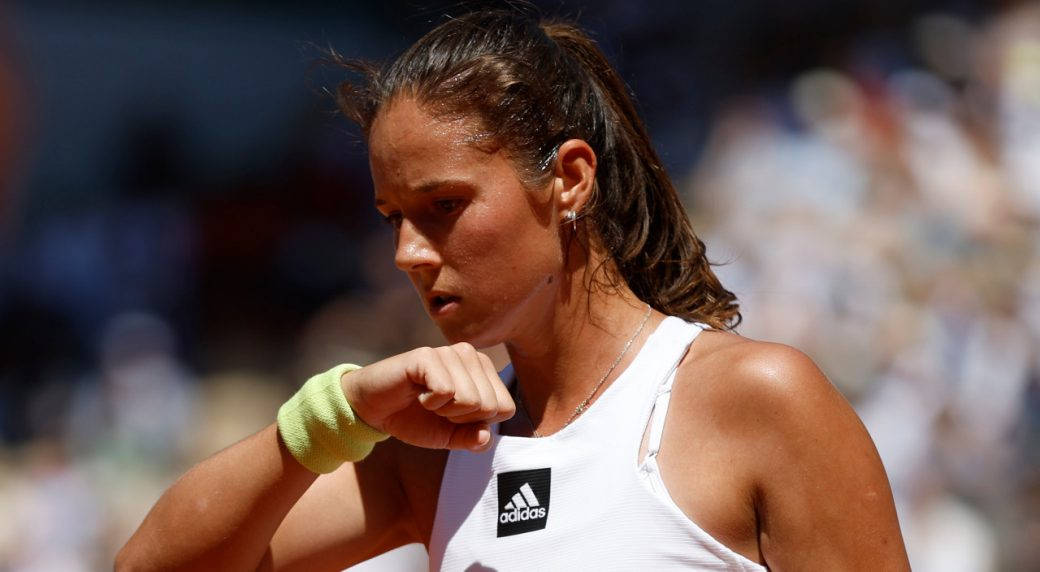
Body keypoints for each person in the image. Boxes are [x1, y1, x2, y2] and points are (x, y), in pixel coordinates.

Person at [117, 10, 909, 571]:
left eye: (444, 207)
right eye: (393, 216)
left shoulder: (760, 400)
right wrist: (341, 411)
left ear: (568, 180)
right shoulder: (437, 452)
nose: (407, 254)